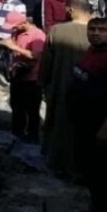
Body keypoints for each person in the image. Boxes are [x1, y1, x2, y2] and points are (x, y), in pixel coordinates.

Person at [39, 0, 92, 177]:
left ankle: (57, 161)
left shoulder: (57, 30)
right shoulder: (99, 33)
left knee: (59, 124)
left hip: (60, 86)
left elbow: (46, 63)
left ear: (71, 10)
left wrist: (43, 83)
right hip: (91, 91)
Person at [68, 17, 107, 211]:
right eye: (92, 29)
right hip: (83, 122)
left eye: (102, 30)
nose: (96, 33)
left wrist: (105, 129)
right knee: (87, 167)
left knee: (100, 173)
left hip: (99, 126)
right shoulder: (91, 51)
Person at [0, 12, 46, 142]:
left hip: (32, 78)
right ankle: (17, 133)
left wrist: (13, 47)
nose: (13, 28)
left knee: (32, 110)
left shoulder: (38, 35)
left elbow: (35, 55)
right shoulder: (17, 33)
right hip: (17, 75)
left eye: (15, 26)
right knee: (16, 106)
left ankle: (32, 137)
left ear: (24, 23)